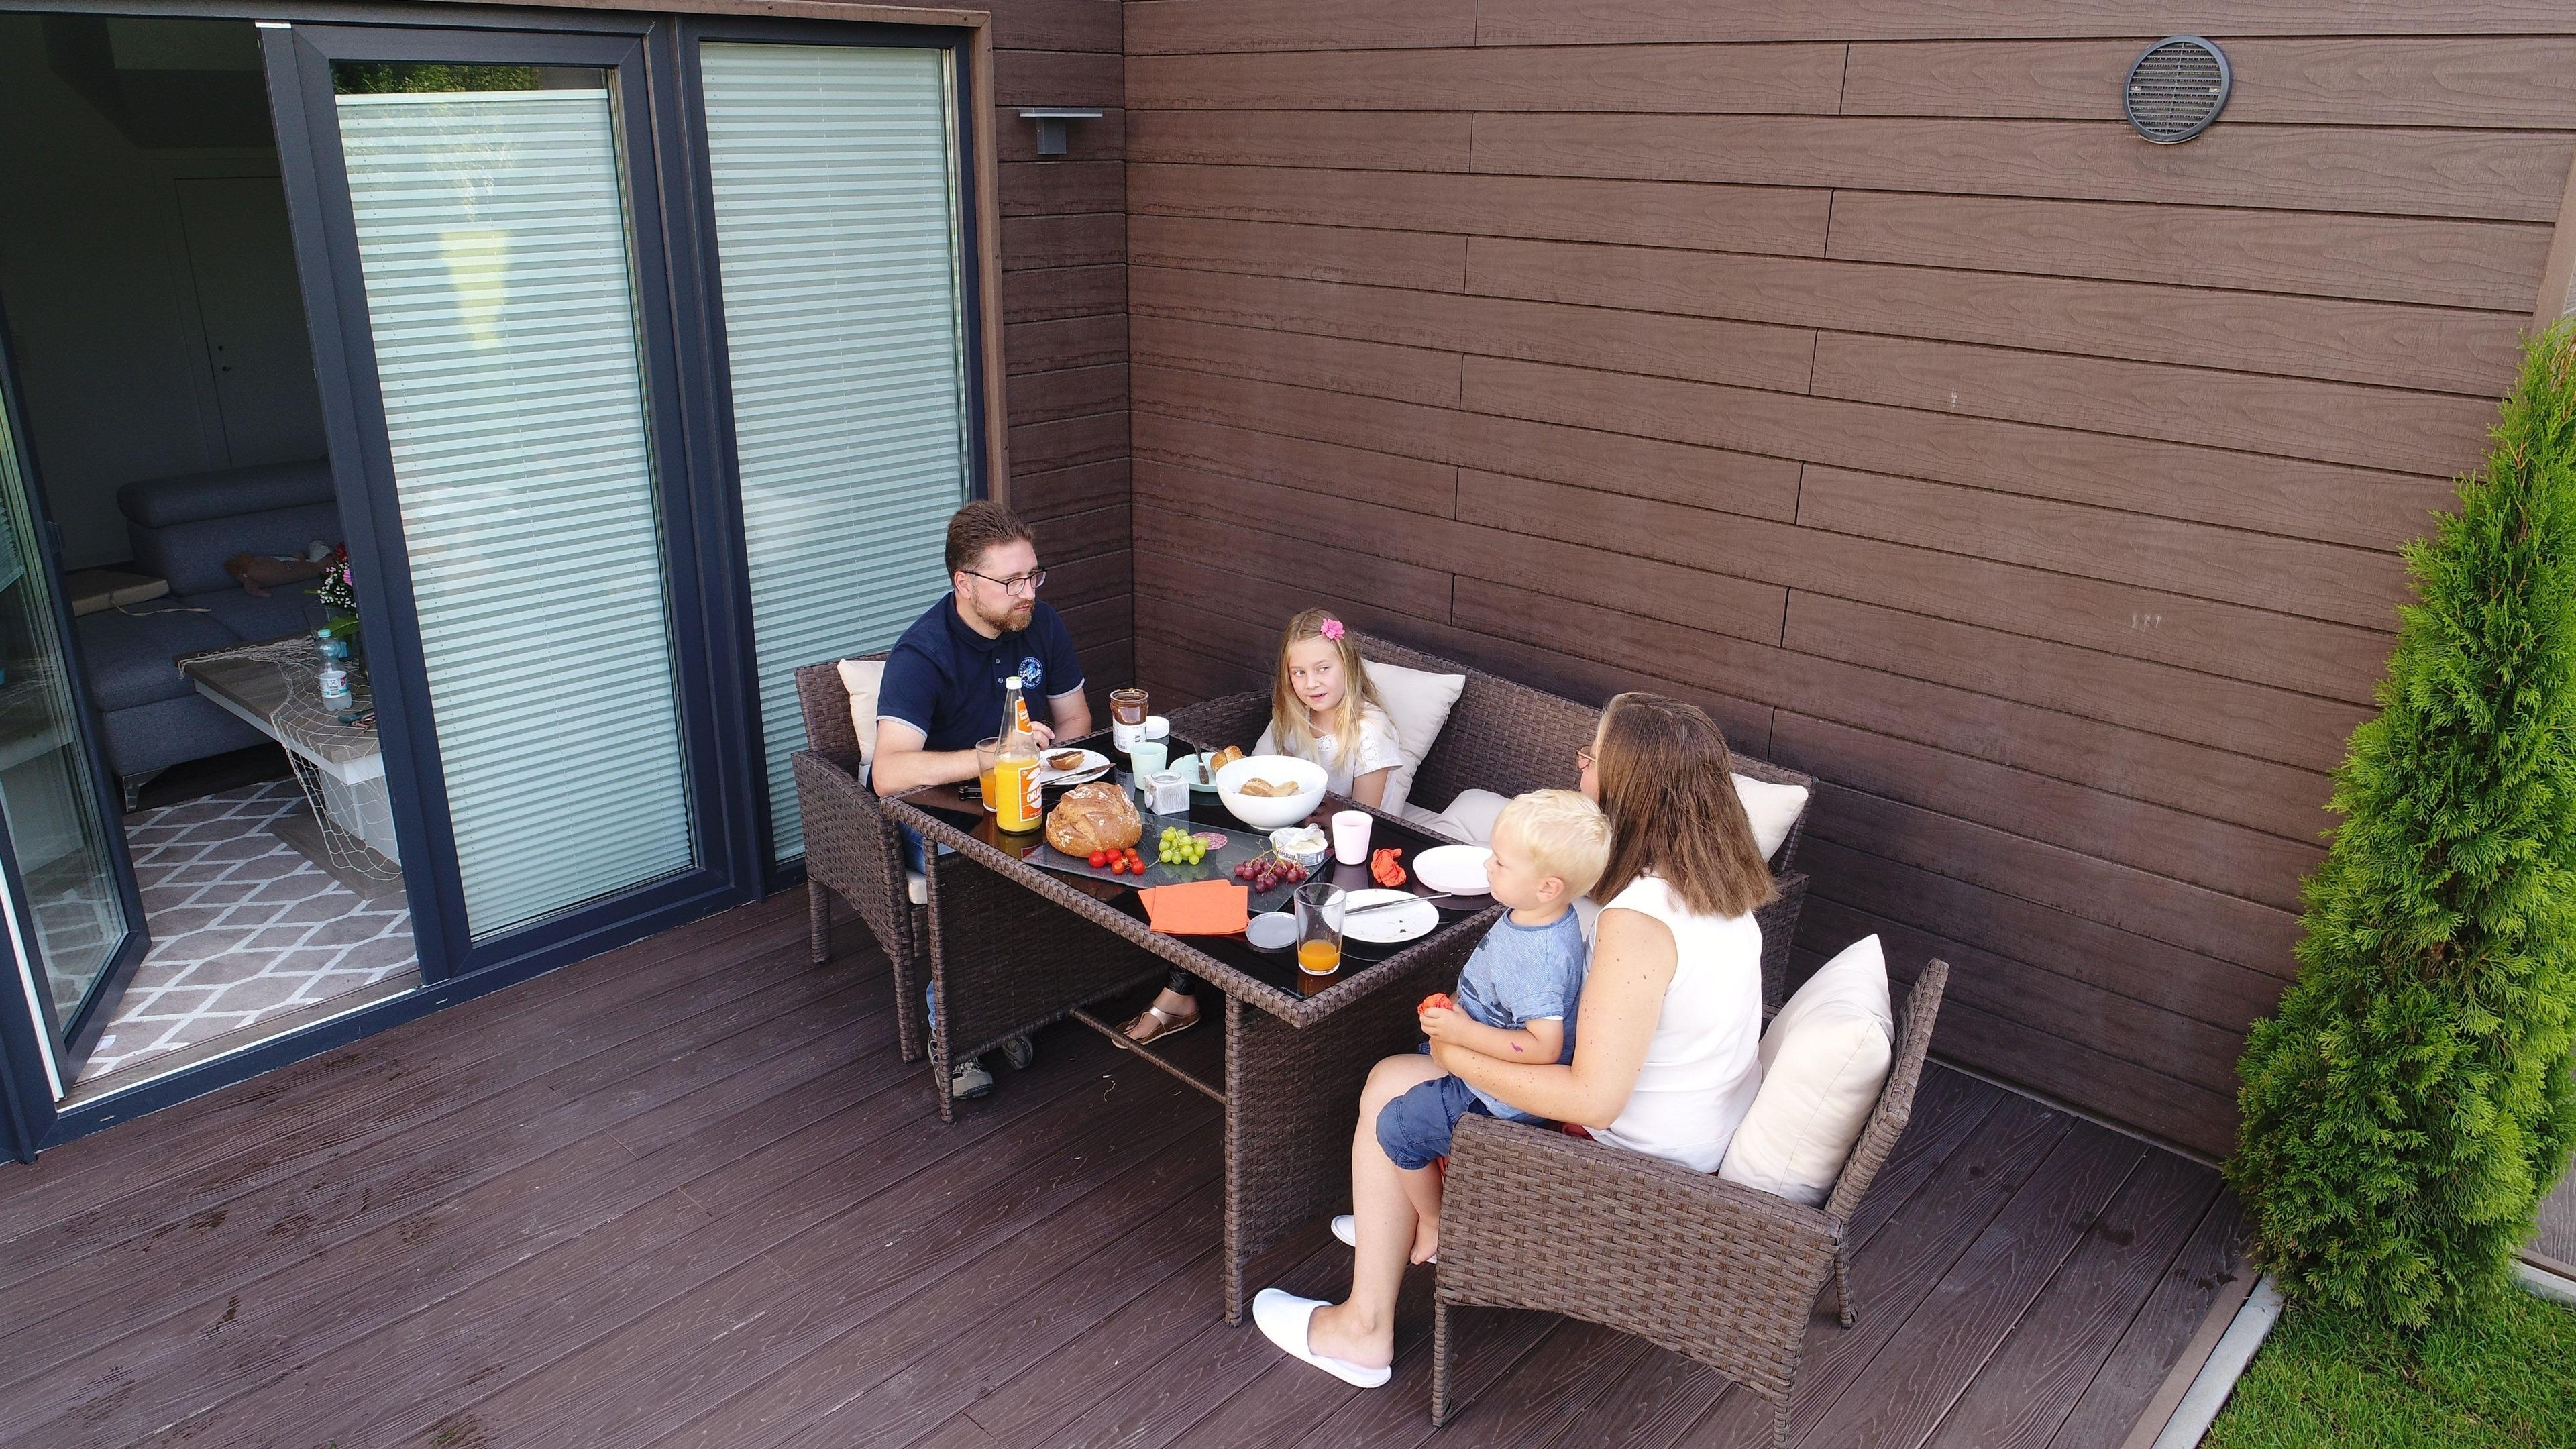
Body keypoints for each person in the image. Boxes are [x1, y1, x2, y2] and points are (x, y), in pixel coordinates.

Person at [1252, 692, 1777, 1387]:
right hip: (1685, 1132)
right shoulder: (1722, 889)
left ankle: (1363, 1330)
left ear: (1629, 790)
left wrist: (1459, 1053)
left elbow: (1593, 1100)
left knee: (1389, 1091)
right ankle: (1400, 1225)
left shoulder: (1640, 923)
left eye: (1593, 758)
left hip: (1630, 1165)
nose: (1581, 768)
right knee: (1406, 1074)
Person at [873, 500, 1093, 1097]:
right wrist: (991, 757)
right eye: (1011, 581)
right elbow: (889, 773)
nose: (1029, 592)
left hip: (1028, 792)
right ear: (964, 583)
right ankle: (956, 1031)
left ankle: (1013, 1004)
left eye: (1033, 575)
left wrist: (1048, 764)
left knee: (1099, 839)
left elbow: (1075, 720)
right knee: (984, 876)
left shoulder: (1041, 623)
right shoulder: (922, 653)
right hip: (936, 813)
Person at [1120, 609, 1402, 1046]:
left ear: (1348, 665)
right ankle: (1186, 987)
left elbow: (1367, 817)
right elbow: (1255, 775)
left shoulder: (1368, 729)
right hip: (1286, 837)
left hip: (1346, 853)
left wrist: (1324, 819)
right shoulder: (1292, 717)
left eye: (1323, 669)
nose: (1311, 683)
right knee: (1203, 874)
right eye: (1299, 672)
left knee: (1240, 888)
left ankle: (1190, 993)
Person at [1354, 789, 1609, 1264]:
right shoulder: (1537, 915)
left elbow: (1544, 1046)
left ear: (1548, 887)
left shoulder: (1537, 958)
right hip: (1480, 1055)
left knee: (1396, 1127)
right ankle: (1392, 1217)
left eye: (1502, 862)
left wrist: (1463, 1034)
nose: (1489, 865)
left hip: (1495, 1101)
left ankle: (1434, 1221)